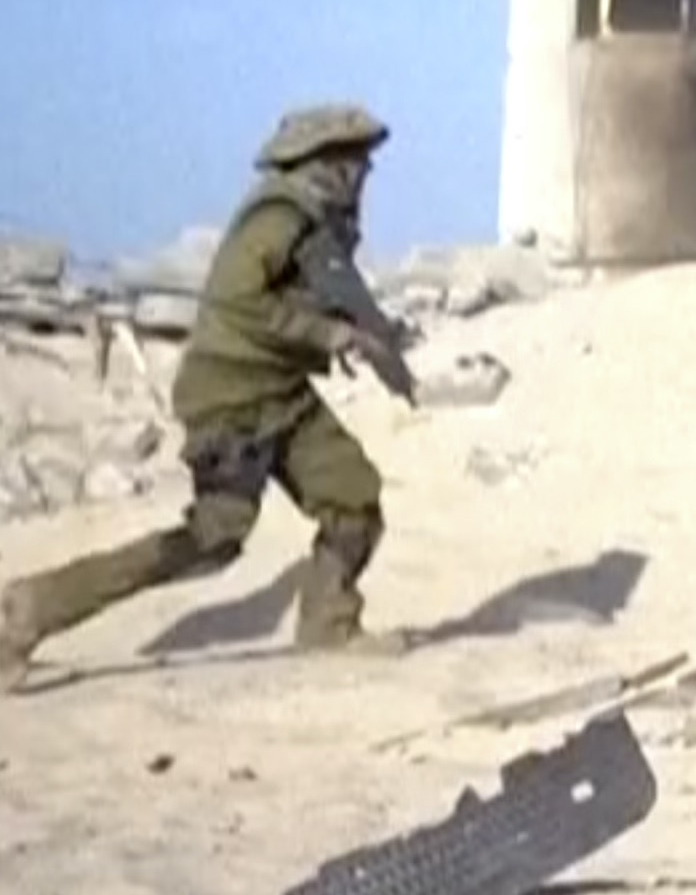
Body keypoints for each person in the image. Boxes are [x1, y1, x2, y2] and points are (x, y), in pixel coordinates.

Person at [0, 102, 422, 687]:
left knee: (352, 498)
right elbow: (240, 302)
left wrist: (378, 335)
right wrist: (329, 334)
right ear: (331, 164)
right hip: (231, 396)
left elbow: (318, 291)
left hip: (283, 393)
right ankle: (27, 613)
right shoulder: (277, 215)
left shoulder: (318, 222)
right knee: (213, 538)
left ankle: (328, 622)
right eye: (358, 164)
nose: (365, 177)